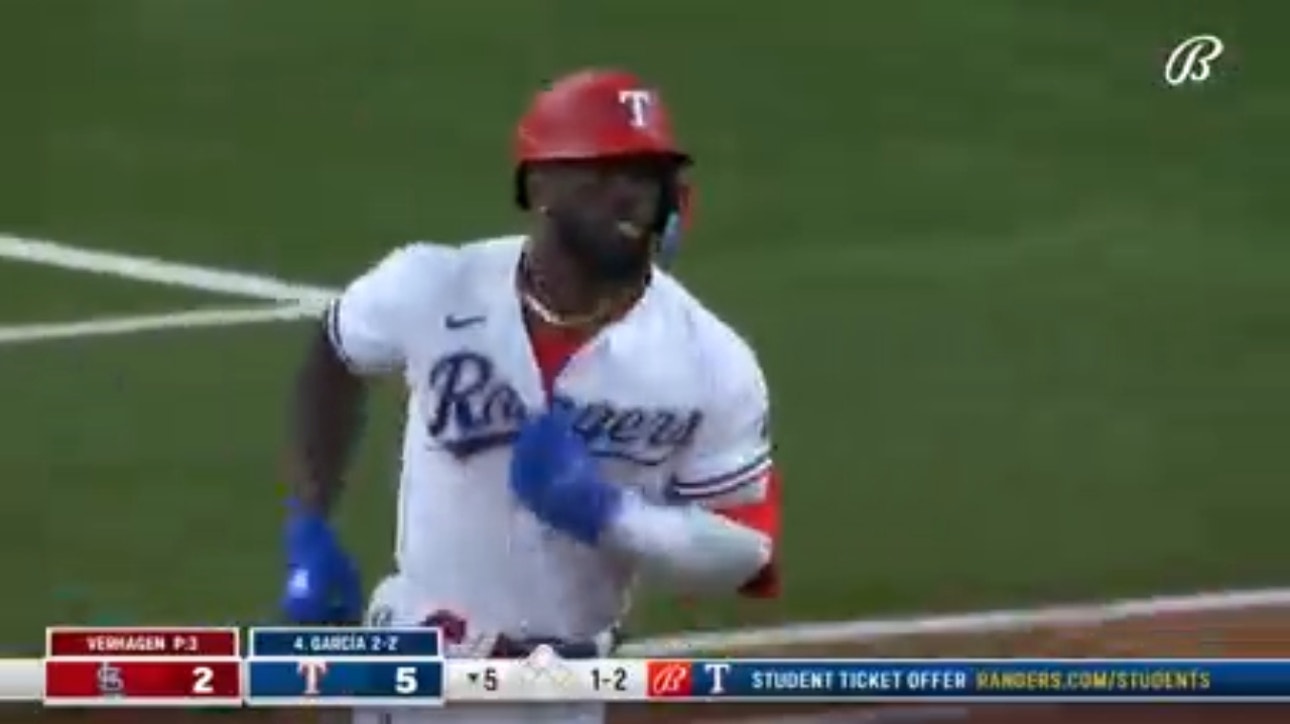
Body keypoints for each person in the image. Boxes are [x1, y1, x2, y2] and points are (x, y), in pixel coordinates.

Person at [281, 67, 782, 723]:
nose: (630, 197)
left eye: (646, 178)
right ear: (541, 185)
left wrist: (607, 515)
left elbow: (745, 550)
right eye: (605, 175)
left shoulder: (712, 360)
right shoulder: (435, 286)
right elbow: (337, 350)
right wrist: (309, 522)